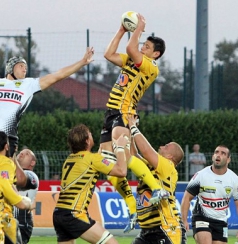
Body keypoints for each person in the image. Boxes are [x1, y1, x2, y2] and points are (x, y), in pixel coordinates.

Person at [99, 13, 167, 231]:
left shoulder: (150, 66)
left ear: (155, 54)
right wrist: (121, 30)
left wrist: (137, 30)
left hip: (124, 111)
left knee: (125, 158)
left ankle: (157, 188)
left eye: (147, 46)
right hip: (111, 112)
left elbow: (130, 49)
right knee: (108, 165)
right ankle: (131, 208)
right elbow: (108, 54)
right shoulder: (134, 60)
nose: (143, 47)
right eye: (143, 45)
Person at [53, 124, 129, 244]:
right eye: (90, 134)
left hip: (59, 214)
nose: (92, 135)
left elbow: (93, 161)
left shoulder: (70, 158)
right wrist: (120, 148)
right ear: (87, 141)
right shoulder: (92, 159)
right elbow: (122, 171)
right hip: (74, 214)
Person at [127, 115, 186, 244]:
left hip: (167, 228)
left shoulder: (168, 166)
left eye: (166, 146)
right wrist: (131, 130)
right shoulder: (152, 167)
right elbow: (132, 155)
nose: (162, 146)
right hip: (147, 230)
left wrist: (133, 128)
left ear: (170, 156)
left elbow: (146, 151)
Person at [181, 145, 238, 244]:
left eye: (223, 153)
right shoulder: (200, 176)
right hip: (201, 217)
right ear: (212, 156)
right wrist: (184, 220)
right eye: (216, 152)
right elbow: (186, 198)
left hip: (221, 222)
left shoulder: (234, 179)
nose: (218, 155)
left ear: (228, 160)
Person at [14, 148, 39, 244]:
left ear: (32, 163)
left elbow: (19, 180)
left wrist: (12, 157)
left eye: (27, 154)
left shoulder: (31, 176)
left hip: (21, 223)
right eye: (21, 152)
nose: (22, 154)